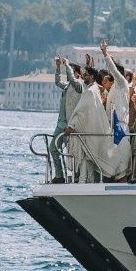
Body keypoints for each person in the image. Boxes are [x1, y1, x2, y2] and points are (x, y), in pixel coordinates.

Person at [50, 55, 85, 183]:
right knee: (53, 148)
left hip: (71, 125)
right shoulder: (67, 86)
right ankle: (59, 175)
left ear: (78, 74)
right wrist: (58, 67)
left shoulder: (79, 86)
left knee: (72, 153)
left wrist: (67, 65)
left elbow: (72, 78)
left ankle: (76, 176)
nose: (70, 74)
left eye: (73, 72)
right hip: (61, 124)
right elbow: (58, 81)